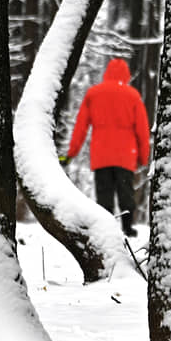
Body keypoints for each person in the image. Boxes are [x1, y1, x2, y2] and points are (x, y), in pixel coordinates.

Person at [65, 58, 150, 237]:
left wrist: (72, 153)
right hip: (125, 156)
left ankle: (106, 230)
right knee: (126, 193)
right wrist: (144, 156)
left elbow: (80, 126)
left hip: (101, 155)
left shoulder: (94, 94)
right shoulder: (132, 96)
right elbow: (142, 130)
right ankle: (127, 228)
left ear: (107, 73)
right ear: (126, 75)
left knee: (104, 195)